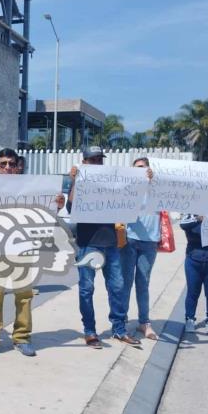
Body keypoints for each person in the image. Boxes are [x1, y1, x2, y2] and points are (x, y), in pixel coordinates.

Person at [0, 148, 65, 359]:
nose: (8, 168)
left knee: (24, 296)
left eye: (11, 164)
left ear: (18, 166)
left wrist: (58, 204)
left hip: (25, 248)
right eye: (3, 164)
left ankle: (21, 337)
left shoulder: (32, 188)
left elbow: (47, 215)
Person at [67, 146, 142, 349]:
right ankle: (90, 331)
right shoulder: (80, 180)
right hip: (87, 244)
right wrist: (74, 180)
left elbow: (133, 194)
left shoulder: (112, 181)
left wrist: (147, 178)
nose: (97, 162)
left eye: (100, 159)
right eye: (93, 160)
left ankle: (119, 329)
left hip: (110, 244)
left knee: (117, 287)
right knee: (86, 289)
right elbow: (71, 206)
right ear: (85, 162)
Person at [120, 157, 159, 340]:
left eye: (143, 168)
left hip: (150, 241)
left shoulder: (159, 187)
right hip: (129, 239)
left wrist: (153, 181)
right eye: (136, 168)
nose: (140, 171)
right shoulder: (129, 186)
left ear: (149, 169)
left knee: (143, 283)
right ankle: (122, 321)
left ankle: (144, 322)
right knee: (125, 282)